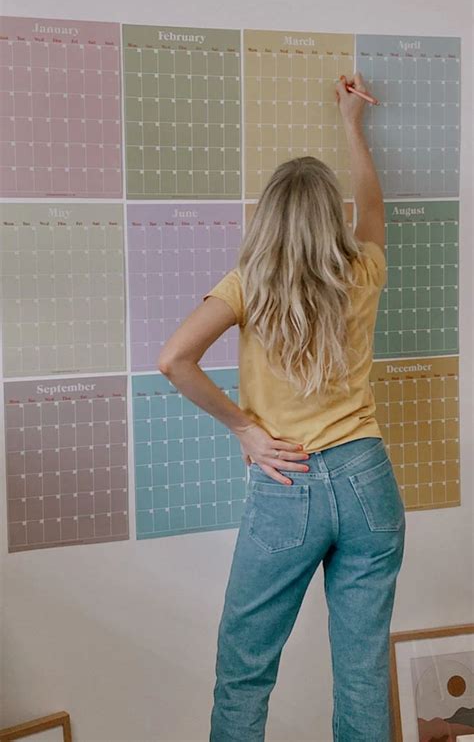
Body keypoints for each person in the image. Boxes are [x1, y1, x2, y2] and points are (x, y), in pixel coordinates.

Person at [157, 72, 406, 742]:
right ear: (331, 220)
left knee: (245, 673)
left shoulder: (247, 287)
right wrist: (352, 126)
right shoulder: (362, 272)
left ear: (267, 216)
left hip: (285, 480)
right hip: (368, 481)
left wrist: (245, 428)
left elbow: (173, 358)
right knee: (360, 677)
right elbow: (373, 212)